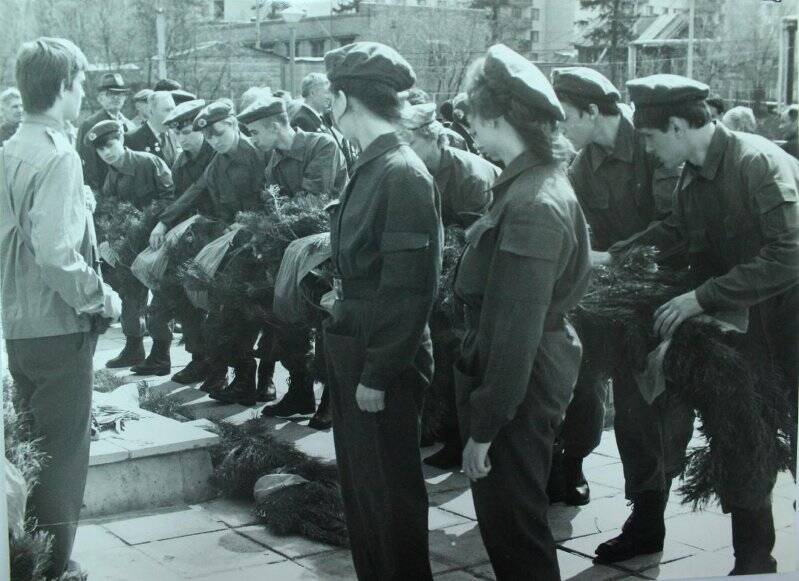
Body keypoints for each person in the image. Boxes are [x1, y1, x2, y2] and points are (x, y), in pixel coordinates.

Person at [617, 73, 799, 575]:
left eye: (651, 139)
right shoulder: (692, 173)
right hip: (746, 327)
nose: (648, 152)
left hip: (788, 325)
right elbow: (678, 229)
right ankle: (754, 560)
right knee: (742, 434)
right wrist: (618, 257)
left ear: (677, 125)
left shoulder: (756, 163)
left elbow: (791, 253)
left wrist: (703, 297)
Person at [454, 44, 591, 581]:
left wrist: (485, 427)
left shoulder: (531, 202)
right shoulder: (529, 185)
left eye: (472, 112)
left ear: (496, 117)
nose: (467, 123)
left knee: (515, 531)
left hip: (517, 385)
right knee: (514, 523)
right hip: (524, 376)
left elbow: (514, 335)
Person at [0, 37, 121, 580]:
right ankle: (52, 568)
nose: (85, 94)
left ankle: (28, 558)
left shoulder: (9, 150)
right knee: (62, 457)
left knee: (30, 447)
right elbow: (54, 253)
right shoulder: (58, 155)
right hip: (58, 325)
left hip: (19, 326)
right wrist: (102, 296)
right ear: (63, 88)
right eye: (82, 84)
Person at [323, 41, 442, 580]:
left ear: (344, 99)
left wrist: (377, 371)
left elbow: (410, 288)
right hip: (359, 340)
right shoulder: (374, 165)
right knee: (364, 493)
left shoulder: (401, 172)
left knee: (389, 497)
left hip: (381, 357)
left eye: (332, 98)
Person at [549, 66, 687, 510]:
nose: (560, 127)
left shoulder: (654, 145)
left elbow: (676, 226)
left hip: (666, 290)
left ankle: (649, 507)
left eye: (565, 115)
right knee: (580, 374)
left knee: (641, 404)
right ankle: (572, 461)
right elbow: (587, 231)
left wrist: (616, 256)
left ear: (592, 111)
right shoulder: (582, 165)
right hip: (613, 288)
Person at [396, 101, 497, 469]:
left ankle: (462, 435)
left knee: (458, 351)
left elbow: (474, 240)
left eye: (411, 143)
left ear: (434, 138)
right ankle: (443, 426)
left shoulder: (468, 175)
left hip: (475, 276)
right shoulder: (417, 169)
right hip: (444, 269)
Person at [238, 96, 349, 421]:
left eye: (256, 132)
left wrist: (273, 224)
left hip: (326, 251)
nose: (253, 139)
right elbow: (274, 206)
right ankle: (300, 392)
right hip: (291, 250)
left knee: (326, 324)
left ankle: (331, 398)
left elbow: (314, 202)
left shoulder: (322, 146)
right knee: (287, 322)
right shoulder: (274, 160)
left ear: (275, 125)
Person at [162, 99, 267, 396]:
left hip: (258, 245)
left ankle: (250, 380)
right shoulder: (217, 163)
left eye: (218, 133)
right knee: (219, 310)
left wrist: (248, 227)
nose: (213, 141)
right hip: (230, 243)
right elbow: (194, 192)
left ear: (233, 124)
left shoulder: (256, 154)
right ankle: (229, 375)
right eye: (208, 136)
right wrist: (162, 223)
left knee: (240, 314)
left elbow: (268, 199)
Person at [87, 120, 175, 370]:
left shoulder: (149, 162)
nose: (106, 152)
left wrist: (162, 226)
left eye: (110, 145)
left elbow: (171, 196)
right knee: (130, 296)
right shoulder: (112, 174)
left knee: (161, 299)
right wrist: (105, 241)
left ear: (122, 140)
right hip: (131, 244)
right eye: (100, 149)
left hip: (157, 242)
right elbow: (106, 210)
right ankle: (133, 349)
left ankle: (161, 354)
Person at [146, 99, 215, 382]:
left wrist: (164, 222)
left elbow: (197, 193)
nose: (183, 138)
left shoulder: (216, 153)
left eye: (188, 131)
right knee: (180, 295)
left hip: (219, 232)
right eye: (178, 133)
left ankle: (222, 367)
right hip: (193, 236)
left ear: (203, 129)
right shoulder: (182, 160)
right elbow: (179, 198)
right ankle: (199, 358)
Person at [76, 72, 134, 191]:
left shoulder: (129, 124)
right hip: (105, 192)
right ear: (100, 98)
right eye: (110, 94)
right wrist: (96, 195)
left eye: (121, 93)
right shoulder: (90, 124)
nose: (117, 97)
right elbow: (88, 167)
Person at [126, 90, 179, 166]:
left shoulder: (174, 134)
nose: (172, 115)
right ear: (151, 112)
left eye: (173, 109)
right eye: (167, 110)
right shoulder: (131, 139)